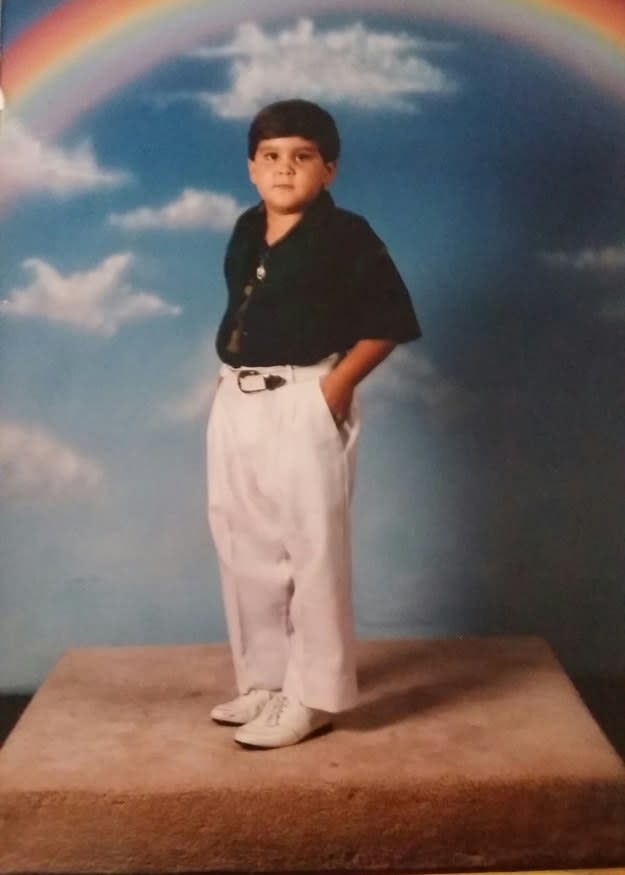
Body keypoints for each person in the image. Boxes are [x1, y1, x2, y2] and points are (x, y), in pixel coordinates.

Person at [207, 99, 421, 748]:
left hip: (305, 394)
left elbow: (387, 321)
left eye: (301, 157)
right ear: (249, 168)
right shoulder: (247, 228)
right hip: (238, 397)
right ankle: (266, 682)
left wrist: (333, 388)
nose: (283, 169)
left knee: (310, 547)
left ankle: (314, 695)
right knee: (244, 541)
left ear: (328, 169)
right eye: (269, 157)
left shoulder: (347, 235)